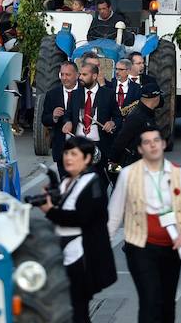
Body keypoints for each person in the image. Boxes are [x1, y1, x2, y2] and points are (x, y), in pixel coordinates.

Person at [107, 126, 181, 323]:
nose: (152, 145)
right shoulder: (128, 174)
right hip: (140, 246)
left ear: (163, 144)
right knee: (150, 300)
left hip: (172, 246)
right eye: (146, 142)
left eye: (156, 141)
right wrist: (101, 248)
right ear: (140, 149)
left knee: (167, 303)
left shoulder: (178, 173)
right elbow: (114, 215)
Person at [40, 137, 116, 323]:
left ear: (87, 159)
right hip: (63, 253)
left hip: (82, 256)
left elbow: (82, 218)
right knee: (65, 307)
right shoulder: (67, 181)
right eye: (66, 153)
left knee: (78, 308)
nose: (68, 158)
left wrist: (50, 211)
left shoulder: (93, 183)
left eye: (74, 154)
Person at [109, 81, 161, 168]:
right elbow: (121, 139)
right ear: (156, 98)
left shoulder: (147, 114)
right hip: (135, 164)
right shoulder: (137, 117)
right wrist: (113, 159)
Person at [42, 61, 80, 175]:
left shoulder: (85, 92)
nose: (64, 78)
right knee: (65, 184)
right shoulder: (52, 94)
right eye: (62, 74)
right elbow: (44, 119)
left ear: (77, 75)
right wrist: (53, 116)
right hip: (61, 148)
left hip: (81, 147)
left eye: (68, 75)